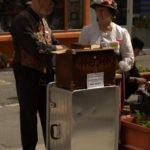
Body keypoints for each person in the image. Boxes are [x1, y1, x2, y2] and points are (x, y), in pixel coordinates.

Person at [10, 0, 66, 149]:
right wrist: (56, 47)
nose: (53, 6)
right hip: (27, 75)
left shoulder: (43, 19)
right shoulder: (20, 20)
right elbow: (33, 47)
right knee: (29, 118)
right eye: (50, 3)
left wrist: (64, 48)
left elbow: (52, 40)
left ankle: (52, 146)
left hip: (46, 75)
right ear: (39, 1)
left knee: (49, 116)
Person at [79, 0, 134, 72]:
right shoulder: (87, 31)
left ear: (111, 13)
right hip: (92, 75)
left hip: (114, 75)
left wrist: (120, 68)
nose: (99, 13)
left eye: (102, 10)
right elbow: (80, 53)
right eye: (97, 10)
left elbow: (128, 56)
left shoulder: (121, 32)